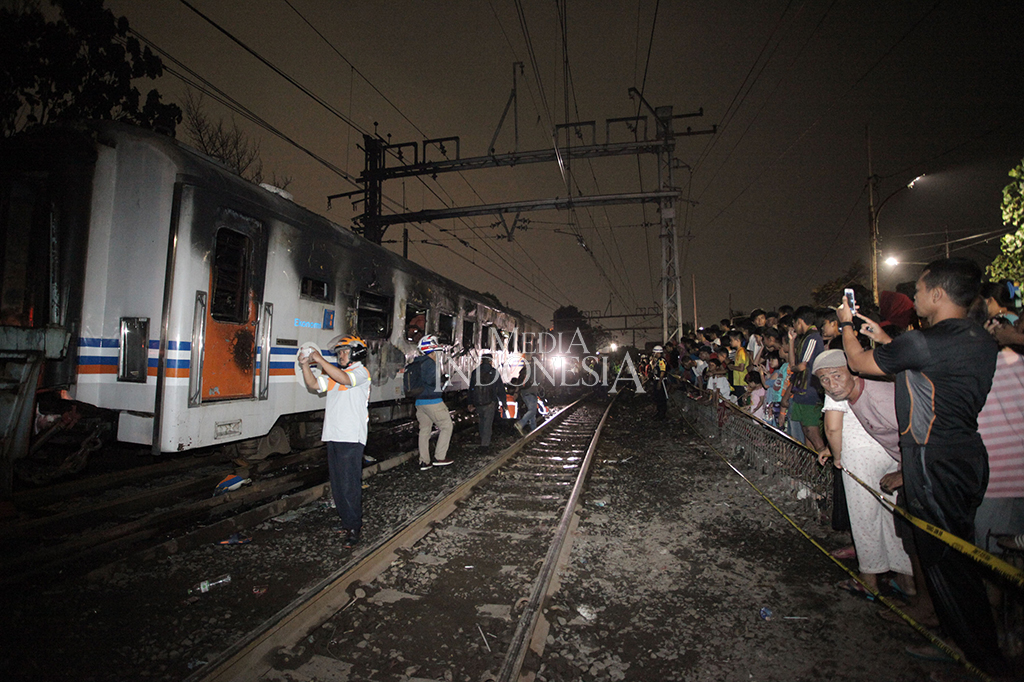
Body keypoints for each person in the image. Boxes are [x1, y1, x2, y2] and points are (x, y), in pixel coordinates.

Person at [839, 257, 1008, 676]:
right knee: (956, 553)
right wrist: (881, 336)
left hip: (931, 456)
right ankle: (961, 632)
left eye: (919, 289)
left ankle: (973, 652)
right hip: (965, 453)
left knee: (945, 562)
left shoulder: (926, 341)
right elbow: (922, 370)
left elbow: (860, 364)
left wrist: (846, 324)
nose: (913, 297)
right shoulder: (980, 338)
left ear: (938, 293)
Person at [813, 350, 913, 599]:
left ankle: (868, 579)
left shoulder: (837, 391)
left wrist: (837, 457)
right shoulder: (881, 380)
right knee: (893, 515)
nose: (831, 383)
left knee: (864, 517)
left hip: (858, 455)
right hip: (891, 453)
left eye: (835, 375)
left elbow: (833, 427)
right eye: (824, 379)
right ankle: (906, 578)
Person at [298, 335, 371, 548]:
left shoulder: (360, 372)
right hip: (333, 435)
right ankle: (347, 521)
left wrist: (320, 361)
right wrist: (305, 366)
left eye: (344, 352)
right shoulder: (336, 374)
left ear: (356, 352)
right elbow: (313, 384)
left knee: (349, 485)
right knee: (338, 485)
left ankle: (354, 527)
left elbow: (346, 380)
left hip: (350, 436)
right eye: (338, 353)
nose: (340, 356)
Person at [407, 335, 454, 470]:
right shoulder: (430, 363)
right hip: (432, 401)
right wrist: (443, 381)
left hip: (419, 402)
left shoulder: (416, 362)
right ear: (432, 351)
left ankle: (424, 461)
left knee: (424, 431)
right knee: (446, 426)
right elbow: (432, 383)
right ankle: (440, 457)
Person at [467, 351, 505, 447]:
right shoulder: (494, 372)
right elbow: (500, 388)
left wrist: (470, 402)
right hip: (490, 402)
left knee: (482, 422)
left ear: (481, 361)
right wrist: (504, 402)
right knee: (487, 424)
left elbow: (471, 388)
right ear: (491, 361)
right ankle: (485, 445)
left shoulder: (475, 372)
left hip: (478, 402)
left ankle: (482, 440)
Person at [512, 357, 542, 436]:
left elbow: (519, 381)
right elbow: (539, 380)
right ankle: (520, 424)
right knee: (532, 411)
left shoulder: (525, 368)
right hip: (531, 392)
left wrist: (516, 392)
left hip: (524, 393)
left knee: (532, 413)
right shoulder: (537, 369)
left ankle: (533, 430)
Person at [649, 345, 668, 419]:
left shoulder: (661, 361)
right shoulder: (656, 361)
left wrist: (659, 382)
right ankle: (659, 411)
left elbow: (662, 372)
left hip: (660, 381)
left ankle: (662, 414)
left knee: (661, 397)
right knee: (657, 397)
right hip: (656, 379)